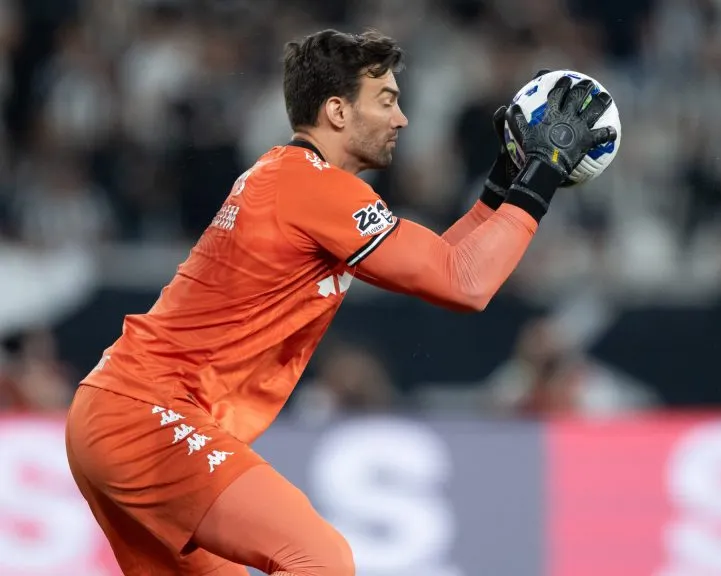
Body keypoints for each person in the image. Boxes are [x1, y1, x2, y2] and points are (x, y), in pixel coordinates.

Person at [64, 28, 615, 576]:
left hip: (118, 412)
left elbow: (442, 264)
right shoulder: (315, 189)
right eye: (387, 101)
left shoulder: (292, 178)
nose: (402, 119)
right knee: (320, 559)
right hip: (147, 415)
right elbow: (466, 283)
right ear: (336, 110)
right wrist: (543, 174)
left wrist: (504, 183)